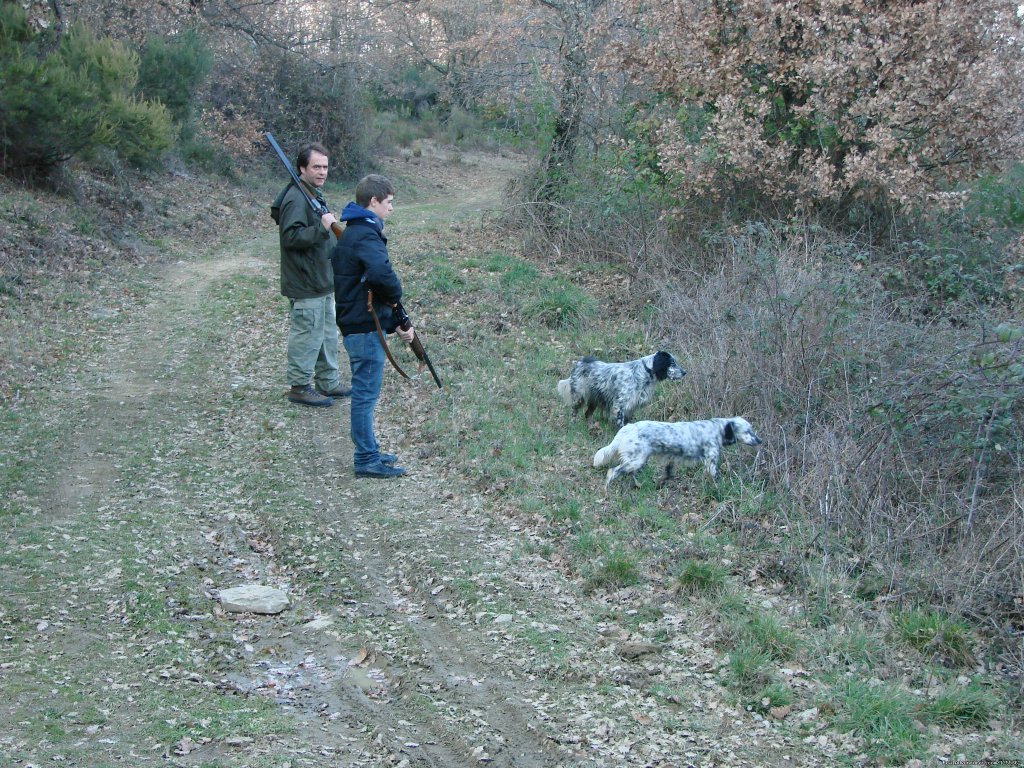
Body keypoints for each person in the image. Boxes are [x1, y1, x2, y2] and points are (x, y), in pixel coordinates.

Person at [332, 174, 415, 478]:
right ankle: (366, 458)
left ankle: (370, 450)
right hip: (364, 328)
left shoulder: (354, 233)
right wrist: (396, 296)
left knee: (365, 394)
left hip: (359, 325)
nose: (391, 208)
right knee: (365, 396)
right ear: (374, 202)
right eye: (389, 202)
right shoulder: (365, 235)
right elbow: (381, 276)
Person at [270, 142, 351, 407]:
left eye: (325, 167)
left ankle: (328, 382)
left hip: (322, 281)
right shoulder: (296, 197)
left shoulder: (312, 193)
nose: (322, 171)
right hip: (306, 282)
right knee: (307, 335)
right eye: (316, 166)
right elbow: (291, 237)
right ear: (301, 168)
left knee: (326, 334)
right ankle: (299, 386)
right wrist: (322, 227)